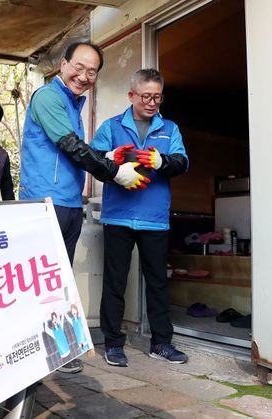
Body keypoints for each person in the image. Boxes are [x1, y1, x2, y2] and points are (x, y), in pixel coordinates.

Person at [19, 41, 148, 374]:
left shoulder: (73, 104)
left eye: (92, 71)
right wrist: (115, 172)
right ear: (63, 65)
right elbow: (71, 147)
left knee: (58, 278)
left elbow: (78, 151)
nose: (84, 76)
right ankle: (37, 351)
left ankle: (56, 351)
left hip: (69, 203)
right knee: (44, 282)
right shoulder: (48, 96)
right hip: (45, 203)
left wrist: (110, 158)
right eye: (79, 67)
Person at [90, 68, 189, 367]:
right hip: (118, 217)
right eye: (145, 96)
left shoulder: (169, 129)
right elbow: (92, 158)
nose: (151, 102)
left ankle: (161, 343)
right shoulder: (111, 127)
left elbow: (182, 162)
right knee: (115, 282)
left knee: (158, 282)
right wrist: (112, 159)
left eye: (157, 97)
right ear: (131, 95)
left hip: (155, 218)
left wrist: (162, 161)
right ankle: (113, 343)